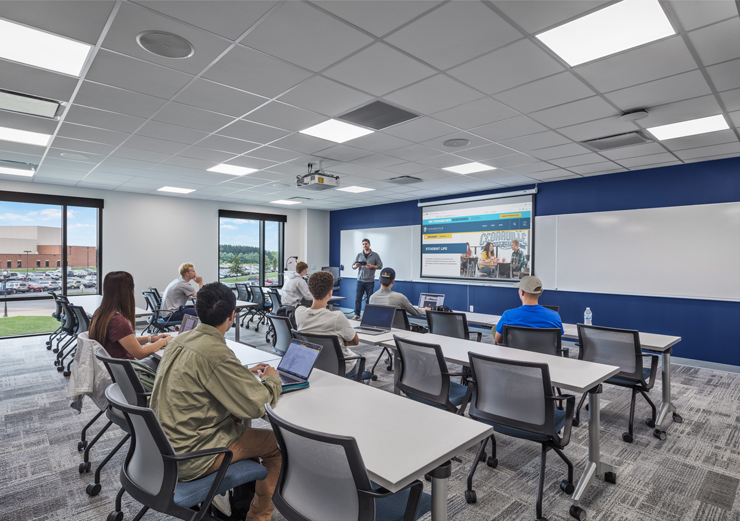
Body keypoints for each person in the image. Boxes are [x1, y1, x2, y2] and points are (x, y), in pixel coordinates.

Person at [150, 282, 282, 521]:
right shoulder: (216, 353)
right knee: (278, 445)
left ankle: (236, 501)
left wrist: (239, 372)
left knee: (235, 418)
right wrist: (272, 381)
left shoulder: (178, 341)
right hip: (192, 456)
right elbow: (256, 405)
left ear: (196, 309)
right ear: (232, 316)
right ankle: (258, 516)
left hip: (162, 447)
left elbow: (202, 374)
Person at [88, 271, 172, 369]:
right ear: (125, 291)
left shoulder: (101, 313)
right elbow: (140, 354)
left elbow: (126, 340)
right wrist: (164, 341)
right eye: (133, 287)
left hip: (115, 370)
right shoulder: (118, 322)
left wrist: (152, 339)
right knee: (166, 363)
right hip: (128, 372)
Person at [295, 271, 361, 378]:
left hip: (313, 364)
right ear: (330, 293)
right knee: (356, 358)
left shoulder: (299, 312)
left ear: (310, 291)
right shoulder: (337, 317)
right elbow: (355, 341)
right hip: (341, 367)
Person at [493, 276, 563, 344]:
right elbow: (557, 338)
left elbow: (497, 339)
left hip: (517, 354)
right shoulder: (555, 316)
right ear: (540, 293)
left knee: (494, 329)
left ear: (522, 292)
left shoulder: (508, 315)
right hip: (546, 355)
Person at [351, 238, 382, 319]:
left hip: (370, 281)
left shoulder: (375, 255)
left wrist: (372, 266)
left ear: (369, 244)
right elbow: (353, 266)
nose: (364, 245)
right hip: (360, 280)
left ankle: (368, 315)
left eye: (366, 244)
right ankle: (357, 314)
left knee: (369, 299)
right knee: (358, 298)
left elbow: (380, 266)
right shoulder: (359, 255)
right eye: (363, 244)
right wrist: (356, 266)